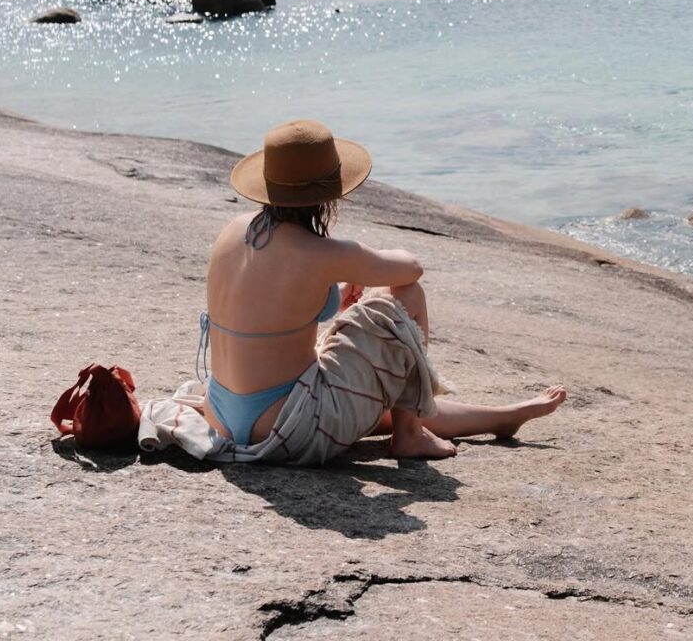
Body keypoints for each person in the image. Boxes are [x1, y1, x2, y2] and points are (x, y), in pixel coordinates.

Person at [138, 119, 566, 465]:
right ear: (327, 196)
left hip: (224, 417)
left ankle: (502, 418)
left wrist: (338, 291)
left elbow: (274, 313)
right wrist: (354, 258)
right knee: (406, 298)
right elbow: (410, 268)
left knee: (371, 400)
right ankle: (410, 434)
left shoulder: (232, 232)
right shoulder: (319, 251)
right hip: (287, 427)